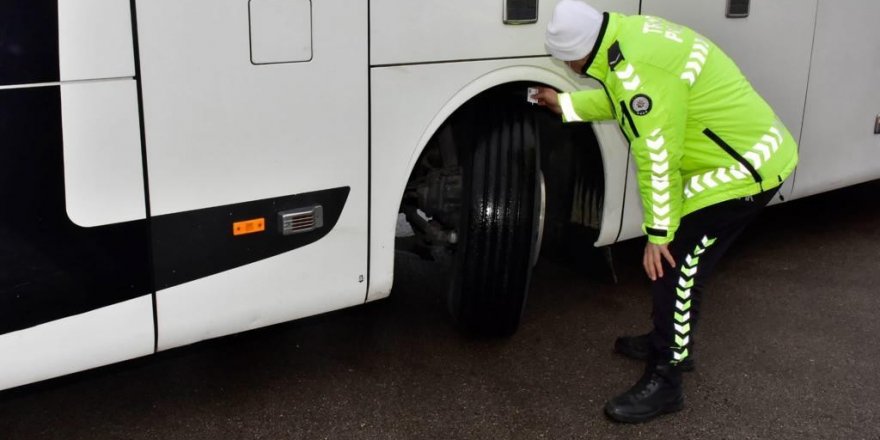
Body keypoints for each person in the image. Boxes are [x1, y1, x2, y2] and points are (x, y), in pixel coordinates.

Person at [532, 0, 799, 423]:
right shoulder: (625, 38)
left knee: (674, 266)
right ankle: (666, 337)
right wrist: (568, 105)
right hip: (733, 158)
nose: (566, 63)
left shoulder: (637, 72)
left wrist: (658, 235)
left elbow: (657, 155)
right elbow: (627, 101)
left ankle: (668, 377)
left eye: (566, 58)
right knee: (674, 257)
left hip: (746, 169)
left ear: (581, 51)